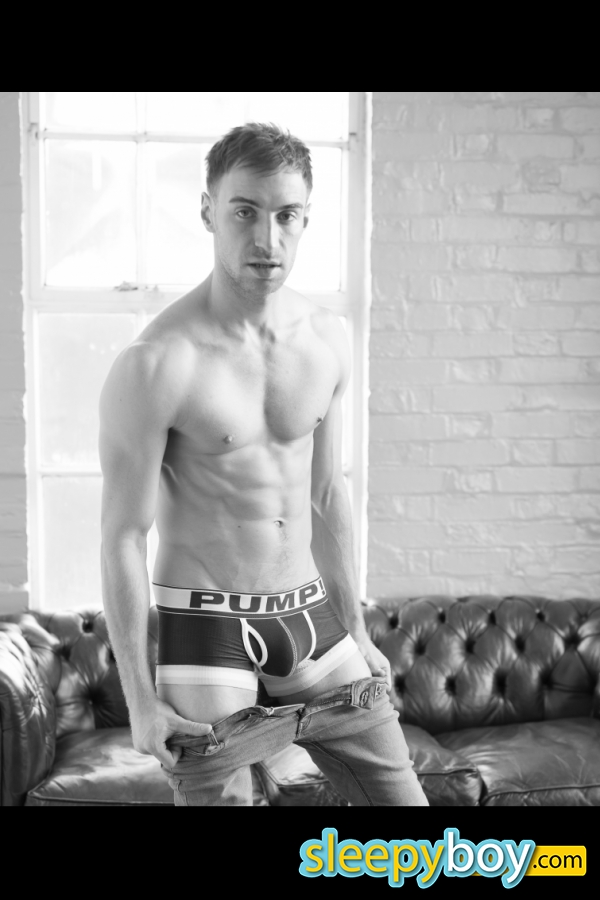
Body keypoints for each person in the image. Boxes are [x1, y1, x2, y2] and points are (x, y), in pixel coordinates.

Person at [100, 123, 428, 807]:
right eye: (244, 212)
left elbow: (327, 493)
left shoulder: (327, 339)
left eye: (286, 215)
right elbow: (123, 536)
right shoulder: (157, 362)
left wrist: (356, 627)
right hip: (205, 629)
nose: (266, 238)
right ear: (208, 212)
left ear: (306, 218)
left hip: (310, 616)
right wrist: (141, 702)